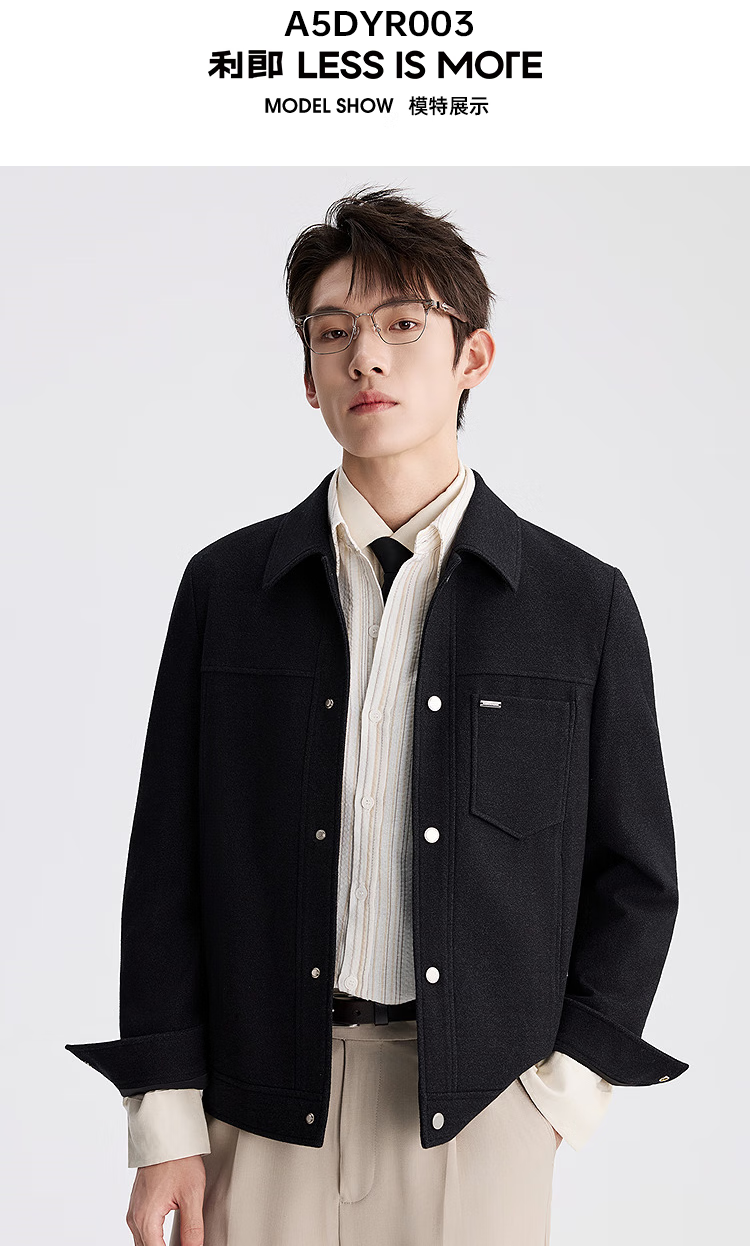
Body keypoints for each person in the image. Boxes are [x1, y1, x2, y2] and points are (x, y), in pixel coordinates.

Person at [66, 186, 688, 1246]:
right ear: (307, 376)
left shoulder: (579, 605)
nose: (365, 357)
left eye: (402, 324)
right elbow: (167, 866)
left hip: (483, 1108)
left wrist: (558, 1095)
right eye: (333, 332)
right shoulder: (227, 590)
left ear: (472, 357)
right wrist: (164, 1122)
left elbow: (636, 877)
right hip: (258, 1101)